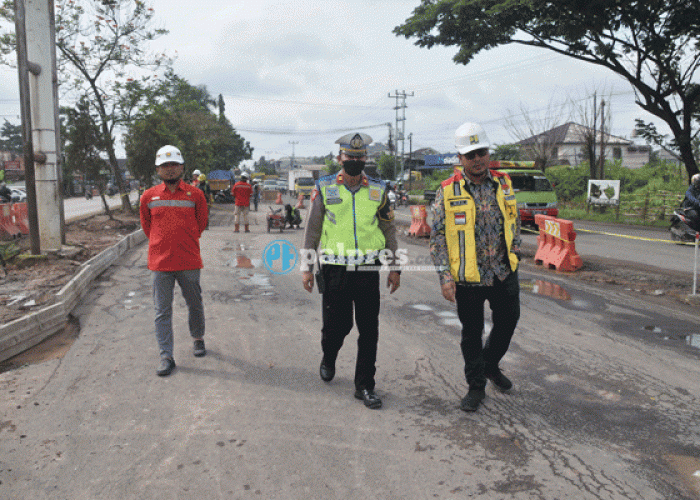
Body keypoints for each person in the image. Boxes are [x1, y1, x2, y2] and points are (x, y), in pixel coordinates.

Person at [301, 132, 401, 410]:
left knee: (369, 329)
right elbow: (312, 230)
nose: (355, 161)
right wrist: (307, 267)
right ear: (339, 159)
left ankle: (365, 386)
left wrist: (395, 267)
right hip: (335, 269)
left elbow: (388, 230)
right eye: (350, 157)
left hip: (368, 269)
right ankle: (329, 355)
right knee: (338, 325)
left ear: (365, 159)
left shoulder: (379, 190)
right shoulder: (324, 188)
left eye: (359, 157)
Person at [430, 122, 522, 413]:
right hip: (468, 277)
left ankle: (490, 365)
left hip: (503, 271)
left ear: (488, 152)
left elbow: (515, 222)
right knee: (472, 332)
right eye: (470, 155)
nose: (477, 159)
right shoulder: (447, 191)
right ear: (460, 159)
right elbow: (437, 238)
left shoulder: (504, 183)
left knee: (508, 322)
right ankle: (476, 386)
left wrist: (516, 251)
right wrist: (445, 276)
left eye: (481, 152)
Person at [139, 145, 209, 377]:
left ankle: (198, 338)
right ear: (158, 169)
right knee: (162, 311)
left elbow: (201, 224)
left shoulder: (195, 194)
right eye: (165, 166)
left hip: (189, 260)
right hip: (160, 264)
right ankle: (166, 355)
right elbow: (147, 227)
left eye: (174, 165)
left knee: (195, 304)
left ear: (182, 167)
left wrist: (184, 241)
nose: (170, 170)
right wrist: (163, 243)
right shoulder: (148, 196)